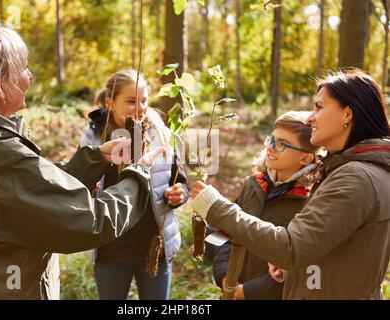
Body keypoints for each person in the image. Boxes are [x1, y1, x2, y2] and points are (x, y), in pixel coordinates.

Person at [0, 23, 162, 299]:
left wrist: (94, 159)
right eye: (22, 69)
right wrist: (139, 174)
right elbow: (93, 221)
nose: (29, 76)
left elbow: (23, 192)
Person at [191, 69, 390, 299]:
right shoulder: (357, 170)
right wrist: (297, 270)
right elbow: (339, 248)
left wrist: (217, 208)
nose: (310, 118)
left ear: (347, 114)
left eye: (319, 107)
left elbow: (291, 248)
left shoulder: (355, 178)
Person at [80, 70, 188, 300]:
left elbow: (179, 179)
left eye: (144, 100)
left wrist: (179, 194)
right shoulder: (93, 138)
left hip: (154, 246)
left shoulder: (160, 133)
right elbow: (80, 186)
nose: (140, 108)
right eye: (131, 101)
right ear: (110, 103)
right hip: (110, 248)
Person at [212, 111, 320, 300]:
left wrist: (249, 292)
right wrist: (224, 276)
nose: (270, 148)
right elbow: (222, 233)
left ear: (305, 159)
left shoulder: (310, 201)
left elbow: (302, 265)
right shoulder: (253, 185)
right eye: (271, 140)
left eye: (281, 145)